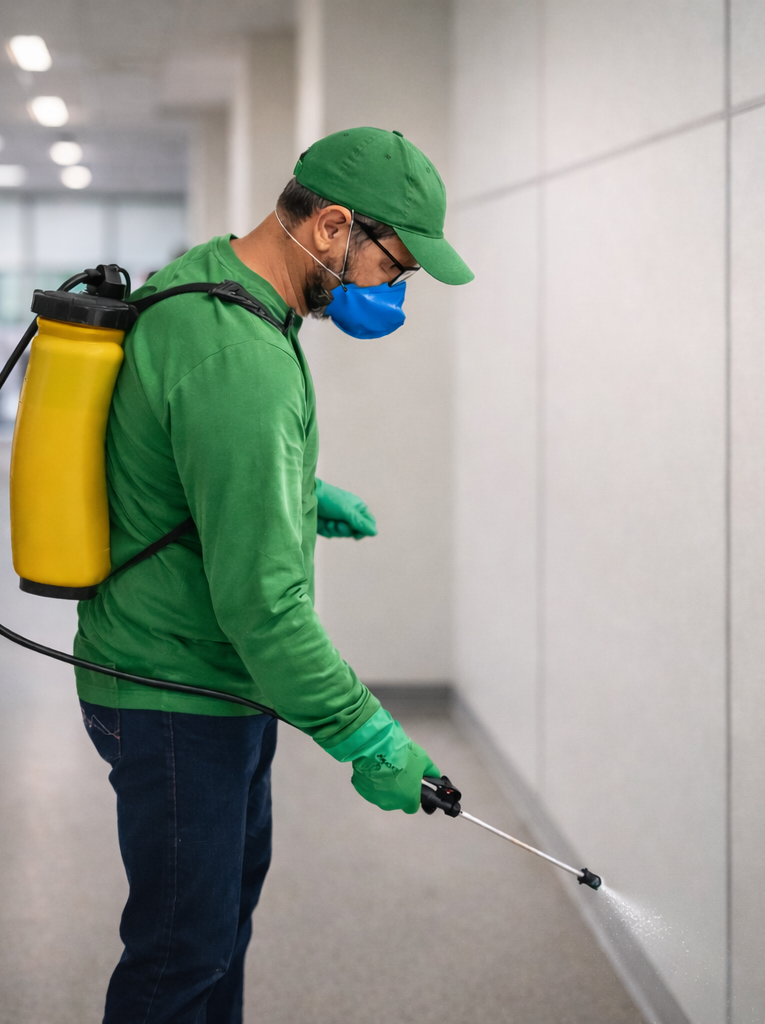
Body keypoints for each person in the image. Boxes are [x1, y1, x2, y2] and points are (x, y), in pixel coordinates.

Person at [74, 127, 474, 1024]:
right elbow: (262, 604)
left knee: (215, 939)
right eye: (394, 267)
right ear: (332, 227)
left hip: (210, 678)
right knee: (182, 959)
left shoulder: (223, 288)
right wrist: (366, 734)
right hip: (174, 688)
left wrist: (294, 491)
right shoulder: (240, 356)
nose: (392, 293)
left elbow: (190, 458)